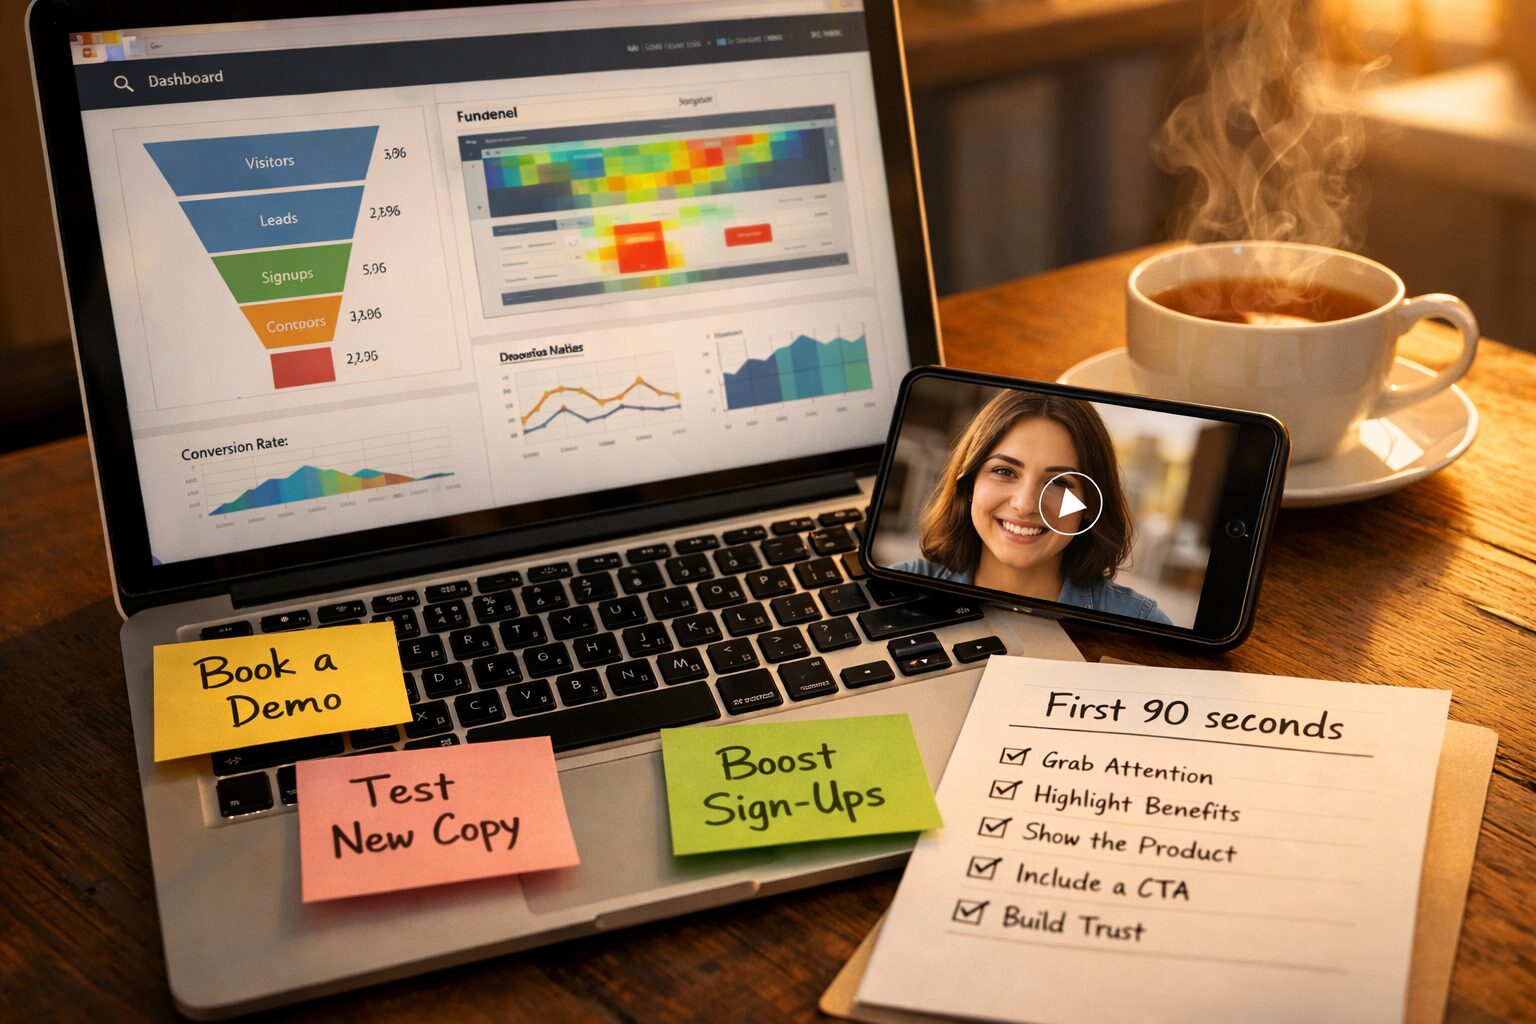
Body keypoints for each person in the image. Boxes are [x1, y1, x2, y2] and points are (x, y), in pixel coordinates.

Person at [895, 390, 1172, 624]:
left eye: (1060, 483)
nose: (1026, 504)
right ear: (969, 484)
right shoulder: (899, 587)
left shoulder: (1139, 617)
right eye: (1005, 471)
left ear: (1089, 504)